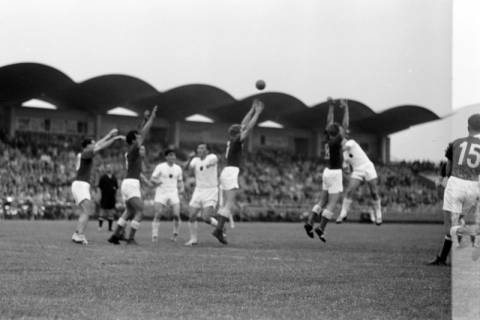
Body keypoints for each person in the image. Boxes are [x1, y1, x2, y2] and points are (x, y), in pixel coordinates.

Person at [428, 114, 480, 265]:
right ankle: (442, 258)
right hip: (473, 186)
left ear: (468, 127)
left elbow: (449, 168)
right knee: (459, 220)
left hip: (456, 183)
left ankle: (472, 234)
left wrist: (443, 179)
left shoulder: (456, 143)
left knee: (450, 227)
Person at [212, 99, 264, 244]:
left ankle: (220, 230)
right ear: (238, 132)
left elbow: (243, 124)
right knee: (229, 204)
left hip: (226, 171)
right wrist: (257, 113)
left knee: (226, 204)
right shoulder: (236, 140)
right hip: (231, 172)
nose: (243, 128)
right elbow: (249, 127)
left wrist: (252, 109)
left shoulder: (232, 139)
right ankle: (218, 229)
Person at [108, 106, 157, 245]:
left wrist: (144, 120)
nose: (141, 141)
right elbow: (142, 133)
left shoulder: (131, 151)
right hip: (131, 183)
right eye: (138, 139)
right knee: (141, 211)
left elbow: (138, 132)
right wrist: (151, 118)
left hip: (128, 183)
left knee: (129, 211)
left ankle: (115, 235)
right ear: (134, 140)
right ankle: (130, 238)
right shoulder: (134, 149)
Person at [71, 129, 125, 245]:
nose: (95, 145)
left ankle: (77, 233)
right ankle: (79, 235)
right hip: (81, 184)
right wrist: (113, 139)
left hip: (80, 184)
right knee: (87, 210)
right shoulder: (85, 154)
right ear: (87, 146)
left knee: (86, 210)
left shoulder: (83, 154)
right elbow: (100, 147)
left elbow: (98, 144)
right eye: (92, 143)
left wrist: (109, 135)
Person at [335, 99, 382, 225]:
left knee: (374, 192)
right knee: (349, 191)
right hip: (357, 170)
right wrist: (345, 168)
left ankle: (378, 214)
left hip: (367, 167)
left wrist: (346, 108)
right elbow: (347, 168)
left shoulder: (351, 143)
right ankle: (343, 214)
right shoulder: (344, 154)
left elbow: (344, 142)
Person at [304, 100, 344, 242]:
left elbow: (329, 124)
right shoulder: (335, 141)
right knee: (332, 203)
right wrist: (345, 109)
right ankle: (321, 228)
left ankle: (309, 222)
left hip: (326, 171)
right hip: (335, 173)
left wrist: (331, 108)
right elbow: (344, 127)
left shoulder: (327, 139)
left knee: (322, 201)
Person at [184, 143, 219, 246]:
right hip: (198, 190)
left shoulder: (212, 157)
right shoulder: (195, 160)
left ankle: (220, 227)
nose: (200, 150)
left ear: (207, 151)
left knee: (206, 218)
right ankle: (193, 239)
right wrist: (189, 159)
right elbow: (187, 169)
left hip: (211, 190)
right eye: (198, 148)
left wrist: (209, 164)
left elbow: (214, 161)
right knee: (191, 216)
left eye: (202, 148)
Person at [150, 149, 184, 242]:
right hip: (161, 192)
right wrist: (158, 181)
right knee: (158, 214)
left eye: (174, 155)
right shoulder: (160, 167)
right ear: (166, 157)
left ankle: (175, 234)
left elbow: (180, 181)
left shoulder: (178, 168)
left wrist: (182, 189)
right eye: (170, 155)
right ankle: (155, 235)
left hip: (173, 193)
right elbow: (152, 179)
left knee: (176, 215)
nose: (172, 157)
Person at [97, 164, 119, 232]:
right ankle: (100, 227)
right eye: (108, 167)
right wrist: (99, 196)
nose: (109, 169)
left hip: (112, 198)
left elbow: (117, 188)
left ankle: (110, 228)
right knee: (102, 212)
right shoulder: (103, 177)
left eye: (110, 167)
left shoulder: (114, 178)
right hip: (104, 197)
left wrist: (116, 197)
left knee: (111, 213)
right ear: (106, 169)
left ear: (112, 169)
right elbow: (99, 188)